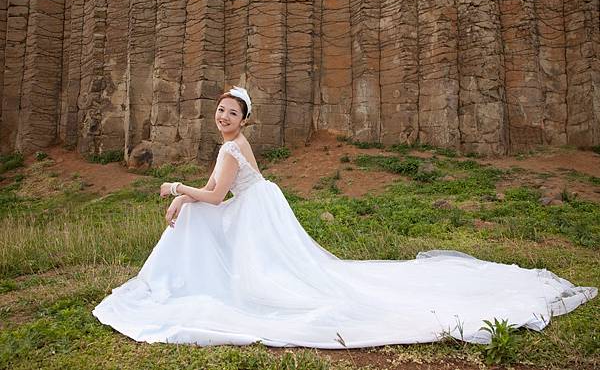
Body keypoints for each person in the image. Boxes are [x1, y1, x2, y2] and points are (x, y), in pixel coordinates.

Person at [93, 86, 597, 348]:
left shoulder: (230, 150)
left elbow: (217, 196)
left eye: (231, 113)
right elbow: (220, 193)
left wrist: (176, 189)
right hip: (260, 206)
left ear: (245, 120)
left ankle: (179, 285)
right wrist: (188, 198)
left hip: (250, 211)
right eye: (220, 111)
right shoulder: (235, 145)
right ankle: (184, 279)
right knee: (196, 216)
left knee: (223, 240)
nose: (223, 117)